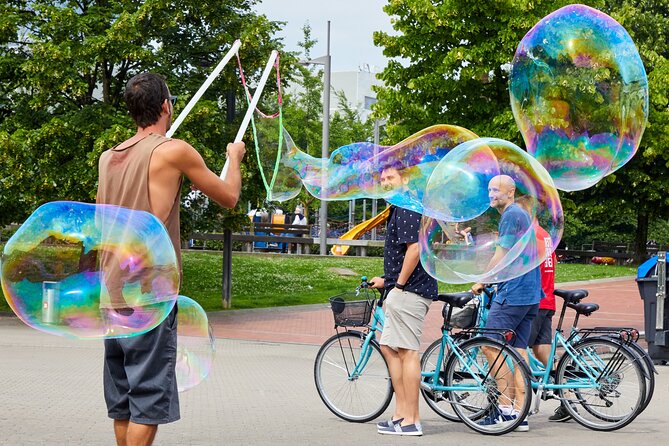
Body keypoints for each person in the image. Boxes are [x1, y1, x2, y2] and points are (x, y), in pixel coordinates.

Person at [96, 73, 246, 446]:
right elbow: (228, 196)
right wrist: (234, 157)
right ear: (166, 106)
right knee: (147, 401)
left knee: (123, 402)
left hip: (111, 292)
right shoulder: (173, 151)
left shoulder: (107, 158)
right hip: (148, 293)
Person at [370, 163, 438, 437]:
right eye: (383, 178)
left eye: (391, 177)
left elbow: (414, 250)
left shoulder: (409, 206)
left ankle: (411, 420)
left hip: (410, 291)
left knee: (408, 352)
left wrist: (397, 285)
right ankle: (400, 414)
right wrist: (387, 280)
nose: (386, 181)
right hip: (401, 288)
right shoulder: (401, 206)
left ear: (404, 178)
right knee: (388, 347)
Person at [471, 175, 542, 432]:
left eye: (497, 189)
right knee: (518, 351)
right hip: (530, 294)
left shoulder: (512, 215)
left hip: (514, 293)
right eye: (489, 189)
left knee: (490, 346)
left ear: (511, 192)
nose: (491, 194)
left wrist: (483, 280)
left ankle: (504, 408)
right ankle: (519, 413)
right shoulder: (519, 214)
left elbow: (501, 254)